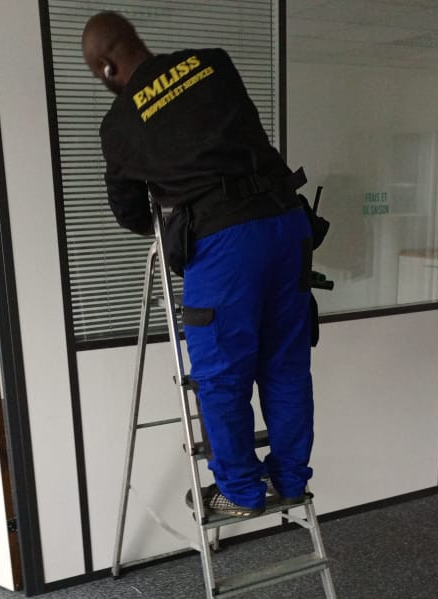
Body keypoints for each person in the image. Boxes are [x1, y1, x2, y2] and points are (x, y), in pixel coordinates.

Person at [81, 12, 317, 518]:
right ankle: (292, 480)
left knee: (222, 376)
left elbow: (130, 214)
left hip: (225, 243)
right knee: (286, 363)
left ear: (107, 67)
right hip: (287, 223)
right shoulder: (212, 63)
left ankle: (241, 491)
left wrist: (166, 194)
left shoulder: (119, 123)